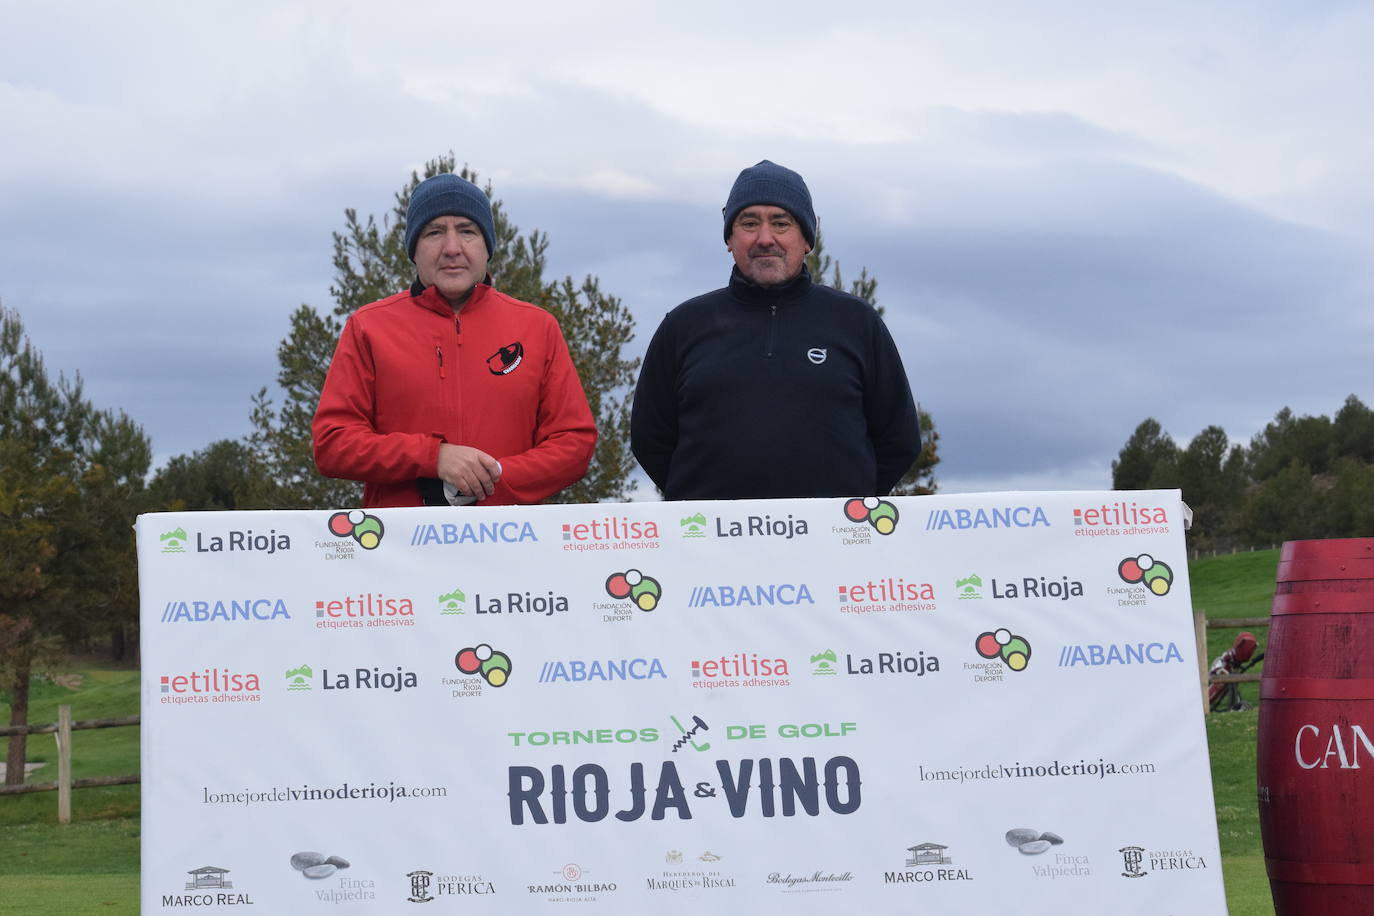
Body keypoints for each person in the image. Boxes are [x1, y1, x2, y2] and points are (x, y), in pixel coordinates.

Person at [631, 160, 921, 501]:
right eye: (749, 223)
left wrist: (847, 505)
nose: (765, 238)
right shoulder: (684, 325)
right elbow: (650, 439)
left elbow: (898, 440)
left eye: (781, 223)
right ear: (729, 238)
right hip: (710, 545)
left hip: (833, 546)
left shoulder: (856, 322)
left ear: (807, 239)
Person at [314, 172, 596, 508]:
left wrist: (491, 478)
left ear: (487, 246)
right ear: (413, 249)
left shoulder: (538, 327)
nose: (452, 248)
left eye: (467, 231)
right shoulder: (368, 327)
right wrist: (433, 457)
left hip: (511, 543)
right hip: (400, 549)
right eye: (434, 233)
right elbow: (333, 443)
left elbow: (574, 444)